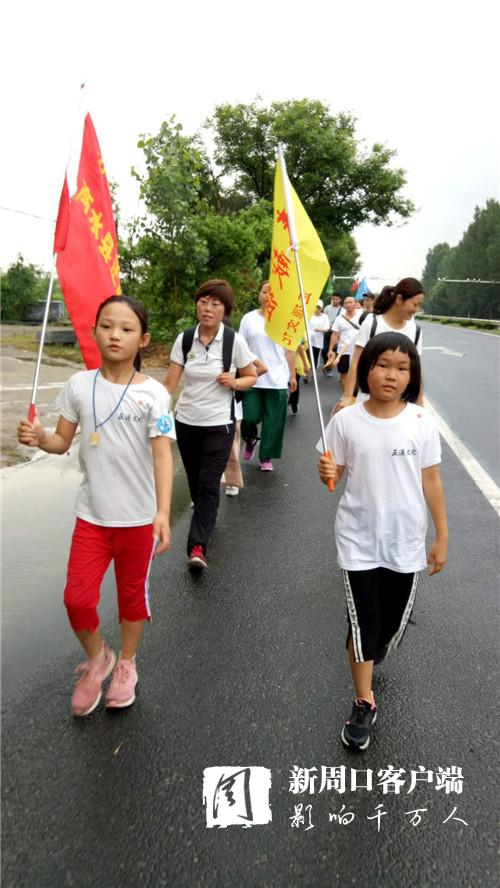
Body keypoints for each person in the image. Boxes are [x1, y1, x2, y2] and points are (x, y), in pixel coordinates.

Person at [17, 295, 176, 717]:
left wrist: (162, 512)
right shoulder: (78, 386)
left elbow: (163, 454)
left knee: (132, 600)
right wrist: (39, 437)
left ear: (143, 340)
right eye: (107, 326)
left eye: (126, 329)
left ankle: (126, 663)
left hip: (138, 520)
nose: (115, 335)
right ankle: (98, 657)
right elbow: (60, 442)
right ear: (94, 332)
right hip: (92, 517)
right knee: (76, 599)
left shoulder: (154, 395)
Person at [318, 332, 448, 751]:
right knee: (363, 623)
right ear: (366, 370)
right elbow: (334, 473)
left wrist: (441, 536)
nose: (391, 375)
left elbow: (432, 480)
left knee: (387, 627)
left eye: (402, 368)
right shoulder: (345, 420)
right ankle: (363, 700)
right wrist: (326, 471)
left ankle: (374, 649)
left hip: (405, 542)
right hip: (357, 539)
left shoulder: (421, 422)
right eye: (382, 365)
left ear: (413, 376)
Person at [165, 280, 256, 568]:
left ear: (224, 310)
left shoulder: (233, 341)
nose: (208, 308)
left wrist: (235, 381)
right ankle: (206, 519)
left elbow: (251, 376)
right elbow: (169, 385)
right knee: (196, 482)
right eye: (203, 302)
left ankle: (197, 546)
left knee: (208, 482)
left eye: (215, 304)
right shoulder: (185, 339)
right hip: (186, 421)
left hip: (219, 423)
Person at [335, 277, 425, 412]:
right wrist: (348, 396)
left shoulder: (415, 331)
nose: (416, 309)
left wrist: (420, 405)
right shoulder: (372, 323)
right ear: (399, 299)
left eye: (419, 305)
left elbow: (417, 371)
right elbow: (356, 362)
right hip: (368, 399)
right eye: (415, 304)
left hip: (400, 404)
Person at [238, 281, 297, 472]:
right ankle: (250, 439)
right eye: (264, 292)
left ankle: (266, 457)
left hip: (277, 378)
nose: (268, 296)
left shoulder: (285, 320)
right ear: (259, 295)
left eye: (272, 293)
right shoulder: (248, 319)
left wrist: (293, 376)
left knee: (273, 423)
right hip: (253, 376)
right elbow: (240, 347)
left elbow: (290, 351)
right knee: (249, 417)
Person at [326, 295, 363, 392]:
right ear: (343, 305)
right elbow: (334, 334)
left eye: (350, 302)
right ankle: (347, 394)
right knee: (343, 374)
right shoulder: (340, 318)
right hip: (343, 350)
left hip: (359, 350)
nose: (348, 304)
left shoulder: (362, 315)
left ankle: (352, 394)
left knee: (357, 374)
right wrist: (330, 350)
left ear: (355, 304)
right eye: (346, 303)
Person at [322, 292, 343, 373]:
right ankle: (326, 363)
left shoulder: (342, 310)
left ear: (340, 300)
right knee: (324, 351)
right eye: (333, 299)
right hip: (326, 332)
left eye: (336, 299)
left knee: (333, 351)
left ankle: (329, 368)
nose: (335, 301)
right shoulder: (327, 308)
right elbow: (323, 318)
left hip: (336, 333)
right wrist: (327, 325)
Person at [308, 299, 331, 369]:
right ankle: (305, 372)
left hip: (317, 342)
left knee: (314, 358)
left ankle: (313, 371)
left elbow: (327, 328)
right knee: (307, 357)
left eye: (319, 307)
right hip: (308, 340)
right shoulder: (309, 315)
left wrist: (319, 330)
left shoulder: (325, 317)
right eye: (316, 307)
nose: (317, 309)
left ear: (322, 308)